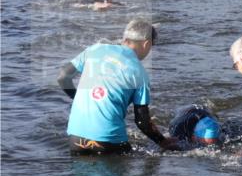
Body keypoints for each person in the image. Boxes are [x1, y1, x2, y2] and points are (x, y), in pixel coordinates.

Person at [56, 18, 178, 154]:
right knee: (150, 162)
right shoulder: (139, 72)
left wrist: (77, 98)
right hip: (110, 142)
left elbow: (62, 77)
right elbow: (142, 122)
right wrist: (163, 141)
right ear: (146, 44)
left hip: (76, 138)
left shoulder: (94, 49)